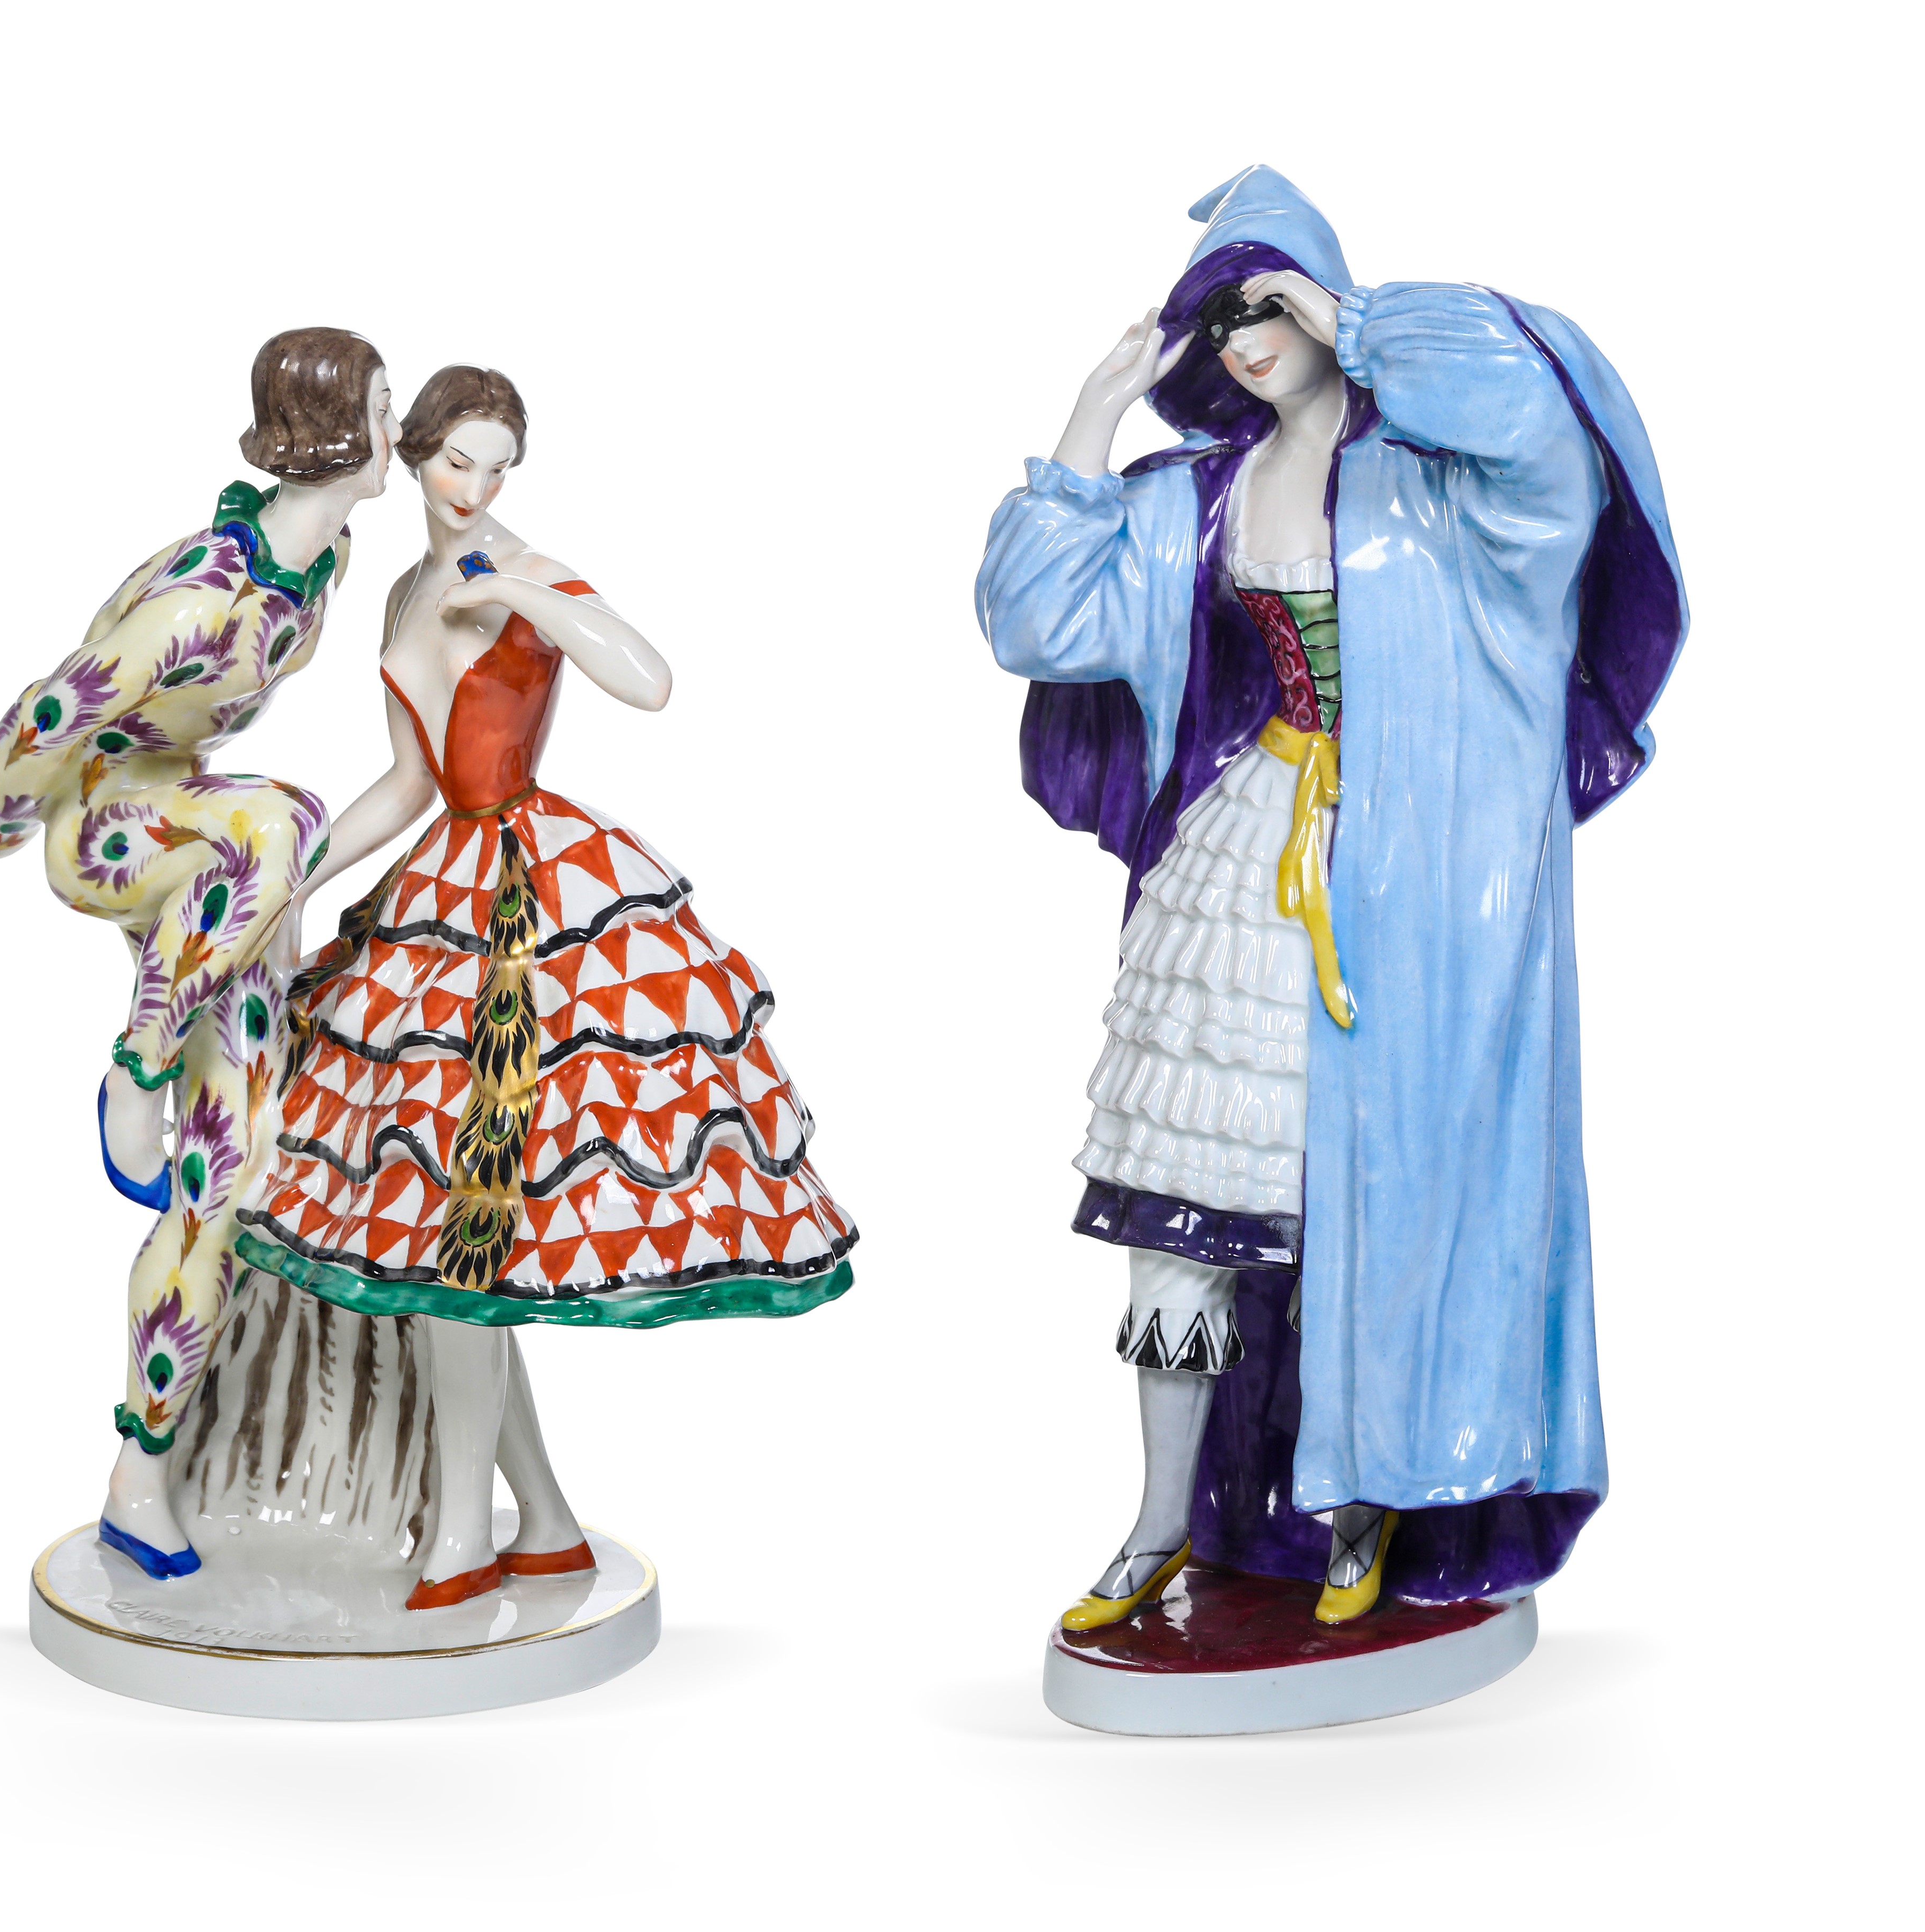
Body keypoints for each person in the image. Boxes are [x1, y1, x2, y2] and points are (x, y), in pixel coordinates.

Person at [976, 167, 1686, 1628]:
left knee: (1377, 1192)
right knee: (1182, 1202)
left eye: (1268, 306)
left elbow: (1548, 437)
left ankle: (1364, 1500)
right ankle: (1162, 1520)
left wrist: (1360, 326)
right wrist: (1092, 416)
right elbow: (1035, 619)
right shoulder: (1197, 494)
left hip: (1413, 870)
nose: (1246, 341)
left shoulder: (1440, 484)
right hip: (1248, 851)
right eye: (1219, 319)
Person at [233, 365, 858, 1608]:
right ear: (414, 456)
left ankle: (468, 1536)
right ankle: (547, 1524)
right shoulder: (404, 589)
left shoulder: (521, 570)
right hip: (444, 887)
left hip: (528, 900)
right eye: (455, 461)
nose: (475, 486)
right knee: (446, 1247)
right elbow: (409, 787)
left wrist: (522, 591)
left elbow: (648, 678)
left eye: (497, 465)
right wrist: (291, 878)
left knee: (459, 1247)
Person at [0, 327, 400, 1576]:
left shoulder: (321, 562)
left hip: (211, 866)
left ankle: (139, 1474)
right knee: (284, 817)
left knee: (226, 1168)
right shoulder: (207, 599)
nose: (395, 428)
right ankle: (136, 1062)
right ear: (338, 432)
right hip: (108, 831)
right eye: (382, 408)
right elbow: (50, 711)